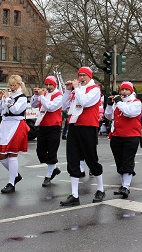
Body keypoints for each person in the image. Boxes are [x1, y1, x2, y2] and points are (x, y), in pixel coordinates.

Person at [60, 67, 104, 206]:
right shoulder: (76, 90)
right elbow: (64, 106)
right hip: (74, 126)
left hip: (88, 127)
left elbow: (84, 102)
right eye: (79, 75)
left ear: (90, 77)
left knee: (91, 158)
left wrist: (77, 88)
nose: (81, 78)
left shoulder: (95, 90)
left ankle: (100, 189)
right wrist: (68, 90)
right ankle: (74, 194)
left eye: (84, 75)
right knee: (72, 160)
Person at [104, 82, 142, 199]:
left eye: (126, 89)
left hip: (131, 136)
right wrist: (110, 105)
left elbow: (129, 113)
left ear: (131, 91)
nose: (124, 92)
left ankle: (126, 186)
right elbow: (109, 116)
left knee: (127, 161)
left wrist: (119, 102)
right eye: (122, 89)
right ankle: (123, 185)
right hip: (117, 135)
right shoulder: (118, 103)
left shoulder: (136, 102)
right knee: (119, 162)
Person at [0, 75, 29, 194]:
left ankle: (11, 182)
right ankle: (15, 175)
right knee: (0, 154)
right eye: (10, 85)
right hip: (5, 124)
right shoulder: (7, 95)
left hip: (16, 124)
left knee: (12, 154)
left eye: (14, 85)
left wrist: (7, 99)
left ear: (19, 85)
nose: (12, 87)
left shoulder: (22, 97)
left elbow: (16, 110)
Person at [30, 76, 63, 187]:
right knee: (40, 152)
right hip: (42, 126)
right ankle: (53, 169)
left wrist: (41, 97)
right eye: (47, 84)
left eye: (51, 85)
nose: (48, 87)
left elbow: (50, 107)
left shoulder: (59, 96)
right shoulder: (43, 95)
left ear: (55, 85)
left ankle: (48, 176)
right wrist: (36, 95)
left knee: (52, 152)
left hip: (54, 126)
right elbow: (33, 104)